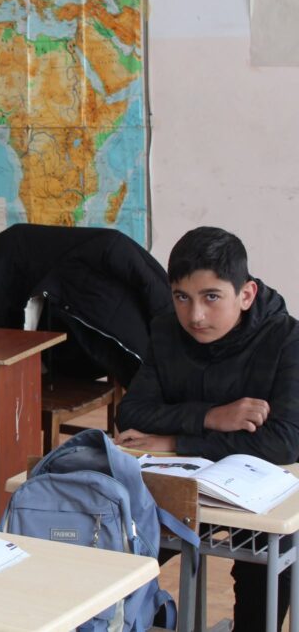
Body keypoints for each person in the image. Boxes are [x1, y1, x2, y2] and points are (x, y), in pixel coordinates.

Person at [115, 226, 299, 631]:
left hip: (256, 491)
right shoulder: (167, 329)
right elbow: (132, 415)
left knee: (266, 558)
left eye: (211, 297)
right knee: (122, 540)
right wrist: (212, 416)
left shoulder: (287, 338)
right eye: (182, 297)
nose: (195, 315)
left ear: (246, 294)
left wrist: (175, 440)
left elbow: (284, 442)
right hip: (181, 487)